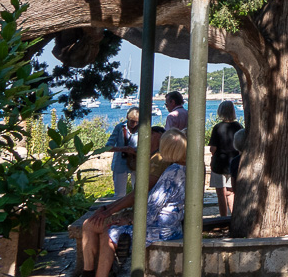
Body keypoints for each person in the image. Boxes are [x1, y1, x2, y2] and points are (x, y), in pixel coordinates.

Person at [81, 129, 188, 277]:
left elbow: (150, 207)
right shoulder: (186, 169)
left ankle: (97, 273)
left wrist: (128, 220)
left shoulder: (171, 172)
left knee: (109, 231)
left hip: (160, 229)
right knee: (109, 229)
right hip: (173, 226)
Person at [209, 100, 243, 216]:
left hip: (219, 163)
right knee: (231, 192)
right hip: (233, 163)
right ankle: (233, 216)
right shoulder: (238, 126)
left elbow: (212, 148)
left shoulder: (217, 127)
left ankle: (222, 216)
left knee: (220, 193)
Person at [107, 107, 141, 197]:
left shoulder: (142, 129)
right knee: (119, 194)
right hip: (120, 162)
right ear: (127, 118)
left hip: (136, 163)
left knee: (138, 192)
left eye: (137, 122)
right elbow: (108, 147)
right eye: (132, 121)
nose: (134, 124)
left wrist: (135, 151)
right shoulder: (119, 128)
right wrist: (123, 149)